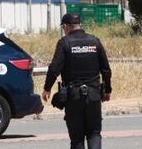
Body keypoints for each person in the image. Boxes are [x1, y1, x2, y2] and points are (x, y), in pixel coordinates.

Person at [42, 13, 113, 149]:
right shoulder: (94, 41)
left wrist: (47, 88)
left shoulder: (64, 43)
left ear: (66, 26)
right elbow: (106, 70)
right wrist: (107, 90)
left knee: (77, 139)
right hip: (93, 95)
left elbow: (54, 69)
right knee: (94, 133)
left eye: (63, 28)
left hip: (73, 96)